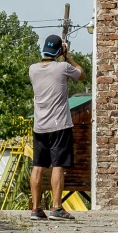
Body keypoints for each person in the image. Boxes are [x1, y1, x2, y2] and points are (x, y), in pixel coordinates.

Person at [28, 33, 84, 221]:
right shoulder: (63, 67)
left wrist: (59, 54)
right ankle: (57, 208)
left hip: (39, 126)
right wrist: (67, 56)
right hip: (59, 126)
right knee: (58, 166)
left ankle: (35, 209)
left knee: (38, 166)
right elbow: (81, 75)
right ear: (60, 50)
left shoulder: (32, 69)